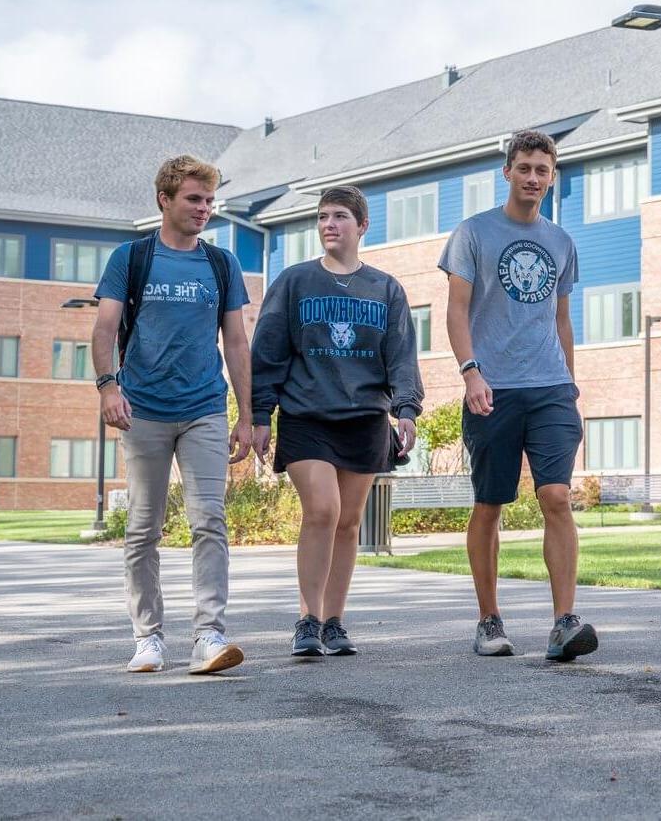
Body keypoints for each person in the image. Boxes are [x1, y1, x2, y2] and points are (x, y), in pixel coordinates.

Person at [438, 129, 596, 661]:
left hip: (550, 385)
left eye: (542, 171)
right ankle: (489, 619)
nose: (533, 178)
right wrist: (470, 373)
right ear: (507, 172)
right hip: (493, 387)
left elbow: (562, 319)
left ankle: (564, 622)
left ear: (553, 178)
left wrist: (571, 387)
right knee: (490, 504)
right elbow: (456, 311)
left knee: (556, 496)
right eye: (524, 168)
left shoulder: (561, 241)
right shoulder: (474, 233)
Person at [92, 154, 252, 674]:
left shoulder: (221, 264)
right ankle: (148, 638)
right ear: (164, 200)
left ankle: (209, 635)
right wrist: (108, 387)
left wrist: (246, 414)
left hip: (204, 405)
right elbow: (103, 328)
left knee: (209, 521)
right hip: (144, 410)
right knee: (143, 527)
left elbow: (236, 341)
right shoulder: (131, 258)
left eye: (210, 200)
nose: (204, 208)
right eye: (193, 199)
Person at [250, 185, 424, 657]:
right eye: (324, 216)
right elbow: (266, 353)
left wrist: (406, 409)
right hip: (307, 415)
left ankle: (334, 622)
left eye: (341, 216)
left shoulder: (385, 288)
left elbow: (402, 357)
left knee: (349, 522)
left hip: (365, 419)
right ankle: (307, 619)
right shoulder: (294, 282)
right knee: (322, 510)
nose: (330, 224)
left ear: (362, 225)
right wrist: (259, 414)